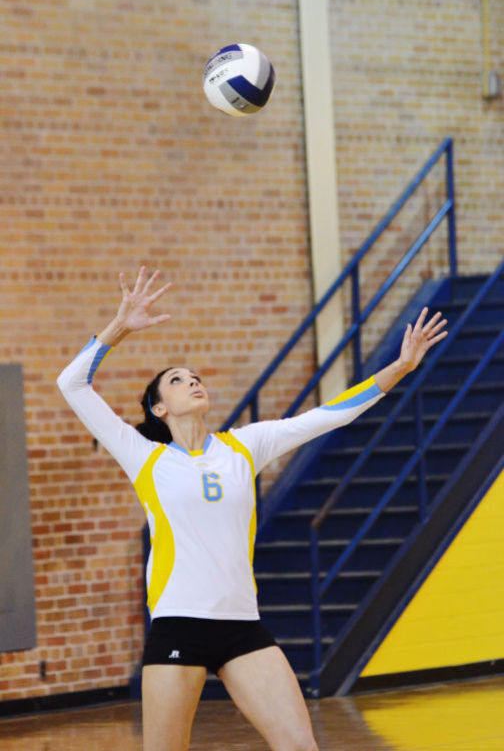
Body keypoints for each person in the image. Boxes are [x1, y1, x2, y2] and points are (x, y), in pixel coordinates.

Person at [57, 266, 448, 751]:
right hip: (179, 621)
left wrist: (400, 368)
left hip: (243, 625)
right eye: (178, 381)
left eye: (196, 377)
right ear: (160, 408)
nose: (193, 382)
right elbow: (72, 383)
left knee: (302, 746)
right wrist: (120, 327)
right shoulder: (144, 457)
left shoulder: (244, 446)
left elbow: (327, 416)